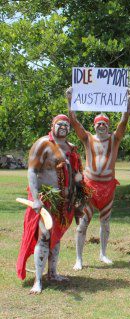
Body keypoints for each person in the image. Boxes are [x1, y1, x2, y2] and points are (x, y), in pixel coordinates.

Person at [17, 114, 82, 293]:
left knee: (56, 236)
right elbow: (32, 171)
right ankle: (38, 281)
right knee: (44, 236)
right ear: (52, 125)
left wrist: (79, 190)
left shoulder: (71, 148)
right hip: (46, 200)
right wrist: (36, 199)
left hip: (64, 202)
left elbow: (75, 173)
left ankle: (52, 273)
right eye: (59, 124)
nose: (63, 127)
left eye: (66, 125)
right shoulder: (43, 144)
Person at [66, 87, 130, 270]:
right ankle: (79, 259)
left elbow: (124, 122)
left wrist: (127, 101)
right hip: (89, 186)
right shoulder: (87, 138)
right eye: (98, 123)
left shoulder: (114, 139)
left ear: (108, 126)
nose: (101, 126)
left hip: (108, 186)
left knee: (105, 222)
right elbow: (74, 121)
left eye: (104, 123)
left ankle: (103, 254)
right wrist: (69, 101)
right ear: (94, 125)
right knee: (83, 223)